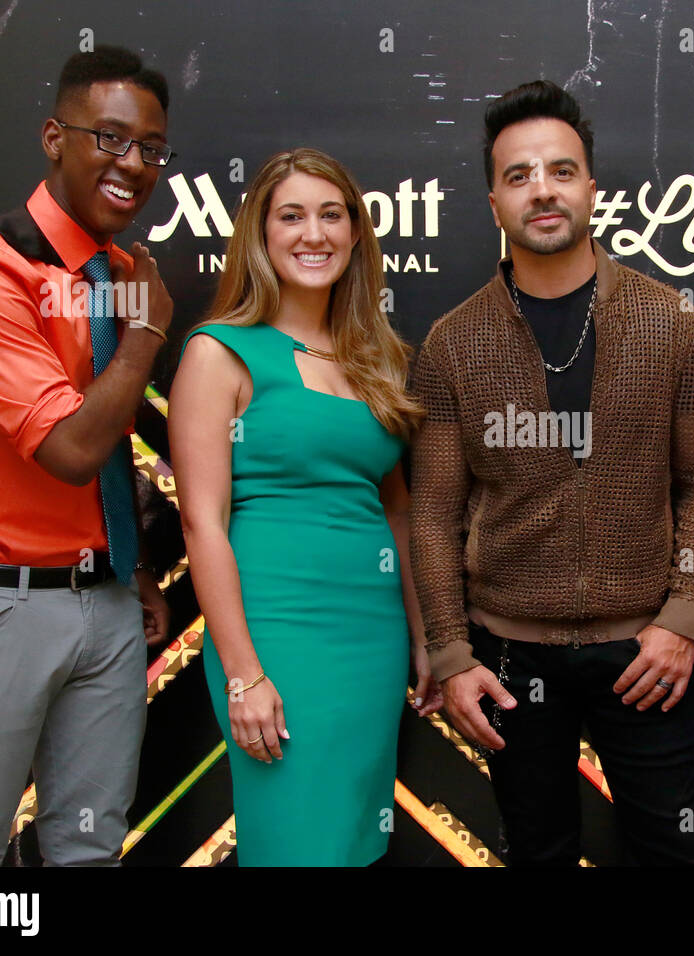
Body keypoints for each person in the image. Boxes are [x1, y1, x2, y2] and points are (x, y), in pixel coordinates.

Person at [409, 79, 694, 866]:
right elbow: (432, 513)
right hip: (509, 659)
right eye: (518, 176)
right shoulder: (452, 345)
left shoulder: (673, 325)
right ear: (493, 201)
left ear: (592, 187)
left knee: (672, 851)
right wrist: (452, 655)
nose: (541, 190)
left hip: (646, 652)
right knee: (539, 851)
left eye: (560, 170)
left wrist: (686, 612)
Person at [0, 46, 174, 865]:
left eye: (152, 149)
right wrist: (147, 333)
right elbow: (72, 447)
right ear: (55, 136)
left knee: (89, 852)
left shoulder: (123, 272)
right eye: (110, 139)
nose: (133, 165)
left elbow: (112, 439)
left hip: (107, 606)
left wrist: (132, 566)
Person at [168, 148, 440, 866]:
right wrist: (244, 674)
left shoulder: (375, 358)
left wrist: (421, 635)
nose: (312, 234)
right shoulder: (218, 353)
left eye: (330, 215)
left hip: (371, 643)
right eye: (291, 216)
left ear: (355, 234)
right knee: (295, 845)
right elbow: (201, 522)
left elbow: (398, 511)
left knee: (354, 841)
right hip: (276, 639)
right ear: (260, 233)